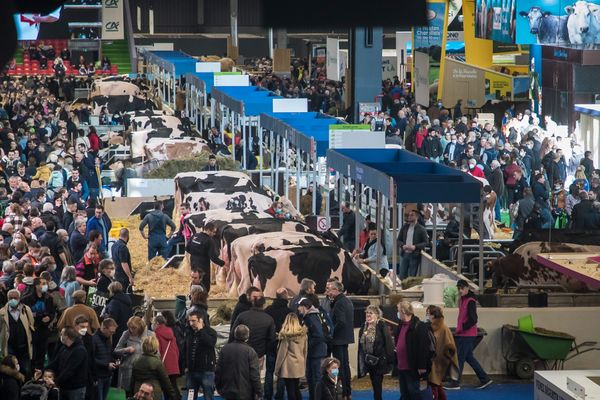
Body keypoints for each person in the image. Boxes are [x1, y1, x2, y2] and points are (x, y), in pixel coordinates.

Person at [445, 280, 492, 390]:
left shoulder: (470, 301)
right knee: (469, 357)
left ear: (467, 288)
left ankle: (455, 382)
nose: (460, 291)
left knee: (459, 358)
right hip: (465, 333)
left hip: (467, 334)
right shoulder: (463, 299)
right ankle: (485, 379)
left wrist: (463, 327)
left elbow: (474, 319)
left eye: (462, 288)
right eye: (459, 289)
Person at [395, 301, 432, 400]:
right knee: (404, 393)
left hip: (412, 367)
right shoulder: (400, 325)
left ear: (403, 311)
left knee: (414, 393)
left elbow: (423, 348)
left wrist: (422, 366)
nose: (397, 313)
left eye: (398, 310)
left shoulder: (419, 326)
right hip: (401, 366)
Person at [357, 305, 395, 400]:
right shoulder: (364, 326)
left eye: (371, 313)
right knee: (374, 383)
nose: (368, 314)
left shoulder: (381, 325)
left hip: (379, 360)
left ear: (377, 315)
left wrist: (389, 359)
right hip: (368, 360)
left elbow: (388, 343)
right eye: (367, 312)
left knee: (377, 384)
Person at [229, 291, 276, 366]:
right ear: (264, 305)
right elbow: (271, 339)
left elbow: (233, 332)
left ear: (252, 303)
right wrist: (264, 351)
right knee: (255, 375)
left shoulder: (242, 316)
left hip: (242, 351)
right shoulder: (269, 319)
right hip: (258, 353)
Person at [216, 324, 262, 400]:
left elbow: (218, 370)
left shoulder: (225, 349)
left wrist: (218, 387)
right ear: (247, 336)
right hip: (245, 392)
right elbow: (254, 374)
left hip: (227, 389)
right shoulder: (250, 351)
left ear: (235, 334)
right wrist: (258, 391)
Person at [327, 280, 354, 400]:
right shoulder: (347, 301)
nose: (329, 292)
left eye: (331, 289)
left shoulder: (339, 303)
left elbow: (341, 321)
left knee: (340, 367)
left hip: (338, 339)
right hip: (345, 338)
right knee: (345, 365)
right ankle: (347, 392)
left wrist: (332, 333)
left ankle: (343, 393)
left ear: (337, 290)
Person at [22, 276, 56, 370]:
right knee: (32, 356)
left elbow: (53, 312)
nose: (46, 285)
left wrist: (49, 317)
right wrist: (34, 315)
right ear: (36, 285)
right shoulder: (26, 299)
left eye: (46, 283)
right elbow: (23, 314)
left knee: (41, 355)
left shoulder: (49, 298)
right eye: (43, 283)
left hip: (44, 331)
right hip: (32, 331)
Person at [297, 297, 328, 400]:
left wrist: (307, 347)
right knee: (311, 378)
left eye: (300, 306)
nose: (298, 309)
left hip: (316, 353)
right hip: (316, 352)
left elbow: (318, 335)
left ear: (305, 307)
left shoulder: (311, 317)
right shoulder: (313, 316)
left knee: (315, 378)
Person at [115, 316, 155, 395]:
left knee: (142, 393)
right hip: (128, 369)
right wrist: (126, 350)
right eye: (129, 327)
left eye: (134, 328)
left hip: (144, 370)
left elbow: (156, 353)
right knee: (128, 393)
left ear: (140, 327)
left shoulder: (150, 334)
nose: (131, 330)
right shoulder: (126, 333)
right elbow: (116, 350)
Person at [0, 289, 35, 379]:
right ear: (7, 299)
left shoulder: (26, 310)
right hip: (10, 346)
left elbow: (31, 324)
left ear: (19, 298)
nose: (13, 300)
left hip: (24, 346)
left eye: (15, 298)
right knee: (11, 370)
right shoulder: (2, 313)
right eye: (10, 298)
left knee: (25, 369)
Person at [264, 288, 292, 400]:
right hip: (283, 344)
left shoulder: (268, 310)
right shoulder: (289, 311)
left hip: (270, 343)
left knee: (269, 371)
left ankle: (267, 395)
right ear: (285, 296)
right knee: (282, 371)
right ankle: (279, 395)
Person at [426, 305, 459, 400]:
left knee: (433, 385)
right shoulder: (429, 327)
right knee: (437, 383)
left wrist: (445, 357)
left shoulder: (444, 328)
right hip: (432, 359)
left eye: (428, 314)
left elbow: (450, 346)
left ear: (434, 315)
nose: (427, 316)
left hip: (439, 360)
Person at [183, 310, 217, 400]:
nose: (191, 323)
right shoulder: (189, 333)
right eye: (189, 321)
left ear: (200, 320)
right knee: (190, 397)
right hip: (191, 372)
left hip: (206, 371)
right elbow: (185, 350)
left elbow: (210, 343)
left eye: (193, 321)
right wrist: (185, 366)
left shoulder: (211, 332)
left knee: (208, 397)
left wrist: (201, 330)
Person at [47, 327, 89, 400]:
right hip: (64, 386)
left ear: (66, 337)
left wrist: (55, 382)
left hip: (75, 389)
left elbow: (70, 370)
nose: (60, 336)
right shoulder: (64, 347)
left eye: (61, 334)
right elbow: (55, 362)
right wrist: (42, 370)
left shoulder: (80, 350)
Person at [274, 313, 308, 400]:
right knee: (296, 388)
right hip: (299, 364)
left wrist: (277, 369)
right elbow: (305, 351)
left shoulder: (286, 337)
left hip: (288, 366)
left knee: (290, 390)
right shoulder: (303, 335)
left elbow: (281, 354)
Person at [185, 222, 225, 293]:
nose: (214, 234)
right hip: (203, 265)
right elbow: (213, 257)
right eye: (213, 232)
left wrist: (195, 254)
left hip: (193, 262)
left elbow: (187, 248)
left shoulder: (195, 236)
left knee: (195, 279)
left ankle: (193, 294)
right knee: (204, 283)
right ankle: (202, 298)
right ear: (208, 230)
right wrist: (223, 263)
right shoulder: (209, 241)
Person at [153, 315, 180, 400]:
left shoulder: (157, 334)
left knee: (166, 387)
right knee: (173, 385)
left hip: (164, 364)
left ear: (157, 323)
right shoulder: (171, 333)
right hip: (174, 363)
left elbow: (158, 350)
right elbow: (176, 350)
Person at [397, 209, 429, 280]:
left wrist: (415, 247)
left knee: (411, 278)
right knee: (402, 275)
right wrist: (402, 245)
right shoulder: (405, 227)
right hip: (404, 254)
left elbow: (426, 242)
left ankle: (409, 290)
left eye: (412, 215)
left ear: (417, 217)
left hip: (414, 255)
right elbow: (398, 240)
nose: (409, 217)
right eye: (409, 215)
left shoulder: (421, 229)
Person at [92, 318, 119, 400]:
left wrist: (115, 361)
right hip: (98, 377)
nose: (112, 334)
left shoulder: (108, 339)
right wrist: (106, 365)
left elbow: (109, 354)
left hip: (108, 375)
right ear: (103, 328)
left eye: (113, 332)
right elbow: (91, 359)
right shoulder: (93, 339)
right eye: (111, 332)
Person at [112, 228, 134, 292]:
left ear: (119, 235)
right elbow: (124, 263)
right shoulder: (123, 247)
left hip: (116, 274)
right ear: (127, 236)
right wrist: (130, 277)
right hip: (123, 277)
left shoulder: (114, 245)